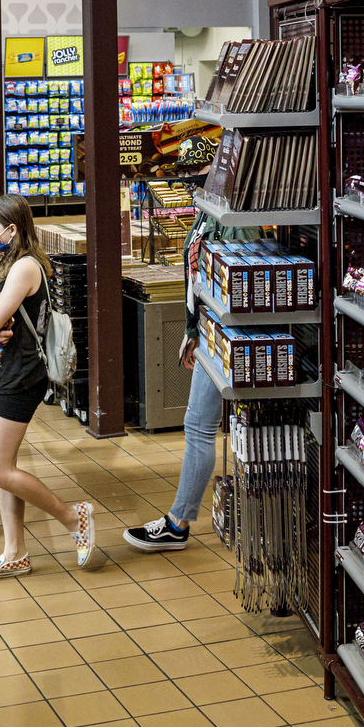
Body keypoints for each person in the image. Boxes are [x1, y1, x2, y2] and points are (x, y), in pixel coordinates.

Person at [0, 193, 96, 580]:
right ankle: (14, 552)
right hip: (2, 370)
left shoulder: (24, 267)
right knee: (4, 466)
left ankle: (73, 517)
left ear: (12, 229)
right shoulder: (4, 263)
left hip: (23, 374)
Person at [123, 222, 224, 552]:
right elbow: (196, 278)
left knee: (199, 427)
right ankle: (178, 521)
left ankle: (178, 524)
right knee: (199, 427)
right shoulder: (206, 212)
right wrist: (192, 328)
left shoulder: (233, 216)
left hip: (228, 337)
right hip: (210, 332)